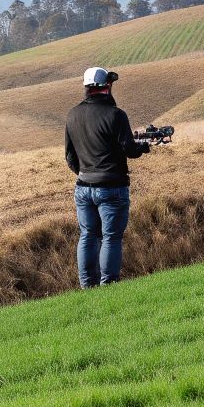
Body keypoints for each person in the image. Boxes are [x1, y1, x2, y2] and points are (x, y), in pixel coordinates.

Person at [64, 67, 150, 287]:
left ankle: (86, 286)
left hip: (83, 186)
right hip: (112, 186)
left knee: (88, 236)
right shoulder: (116, 115)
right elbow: (130, 150)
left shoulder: (72, 115)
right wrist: (143, 148)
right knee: (111, 237)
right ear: (107, 86)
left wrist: (86, 175)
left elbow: (70, 157)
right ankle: (108, 285)